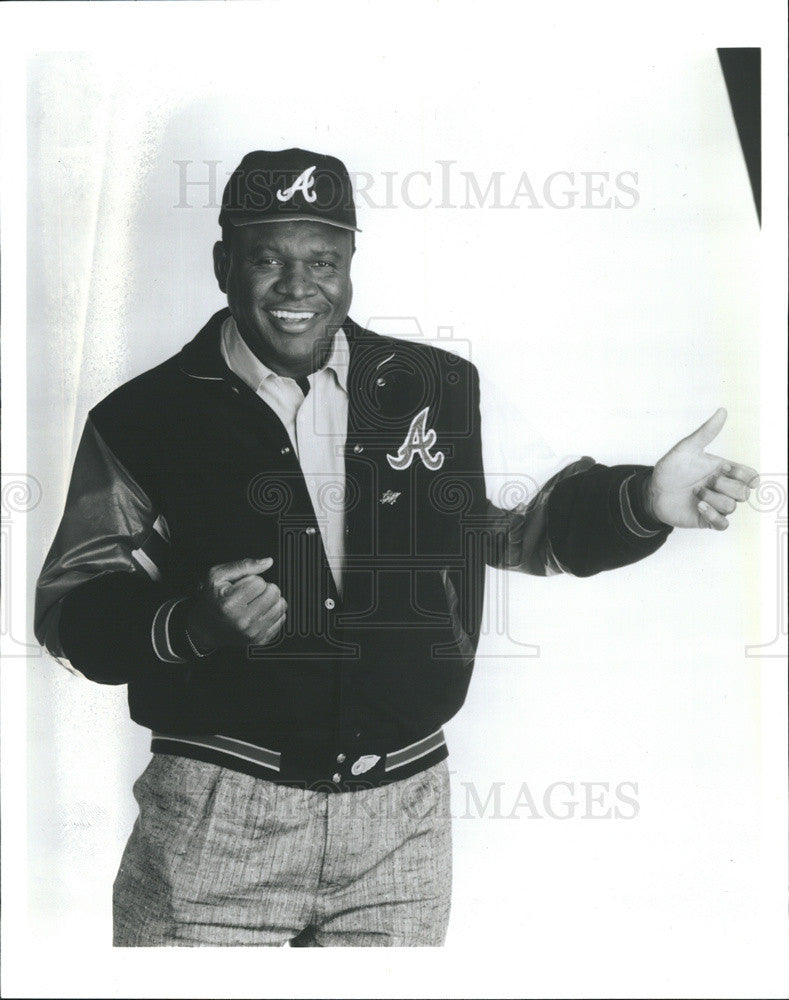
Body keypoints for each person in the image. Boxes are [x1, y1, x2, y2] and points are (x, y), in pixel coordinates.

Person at [34, 147, 758, 947]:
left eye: (323, 260)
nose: (297, 286)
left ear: (351, 264)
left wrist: (641, 502)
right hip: (216, 819)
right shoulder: (143, 416)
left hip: (401, 822)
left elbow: (507, 529)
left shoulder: (435, 386)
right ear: (222, 265)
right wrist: (190, 624)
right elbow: (68, 608)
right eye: (266, 258)